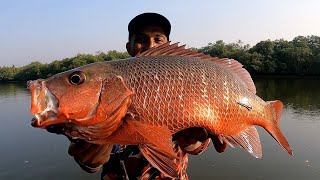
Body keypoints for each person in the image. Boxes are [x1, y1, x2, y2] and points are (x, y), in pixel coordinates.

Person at [49, 12, 226, 180]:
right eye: (141, 39)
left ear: (168, 46)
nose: (150, 45)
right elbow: (87, 160)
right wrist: (91, 159)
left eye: (158, 39)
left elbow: (196, 148)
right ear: (129, 47)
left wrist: (194, 142)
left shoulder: (185, 84)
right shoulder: (102, 86)